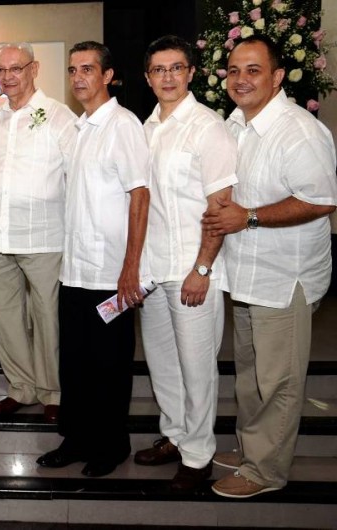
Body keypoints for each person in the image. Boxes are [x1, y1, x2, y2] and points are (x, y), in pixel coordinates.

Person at [202, 35, 337, 499]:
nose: (241, 79)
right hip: (246, 275)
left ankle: (266, 471)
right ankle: (251, 449)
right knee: (250, 374)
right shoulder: (235, 124)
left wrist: (250, 217)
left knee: (278, 379)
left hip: (284, 279)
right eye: (235, 70)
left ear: (278, 76)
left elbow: (321, 201)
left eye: (254, 70)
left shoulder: (298, 130)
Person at [37, 41, 149, 477]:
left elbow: (140, 195)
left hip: (110, 272)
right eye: (72, 70)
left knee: (109, 365)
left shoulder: (122, 124)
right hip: (76, 270)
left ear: (108, 76)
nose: (79, 77)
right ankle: (76, 438)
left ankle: (111, 445)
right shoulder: (82, 128)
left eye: (88, 69)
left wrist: (130, 266)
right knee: (77, 362)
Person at [134, 35, 238, 491]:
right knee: (163, 365)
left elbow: (221, 205)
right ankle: (174, 437)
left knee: (197, 369)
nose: (168, 77)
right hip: (154, 272)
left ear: (192, 73)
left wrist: (202, 269)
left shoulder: (207, 126)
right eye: (159, 70)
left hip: (193, 270)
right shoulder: (146, 126)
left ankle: (198, 456)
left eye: (177, 68)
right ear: (148, 78)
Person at [0, 42, 76, 424]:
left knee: (49, 317)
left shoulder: (59, 116)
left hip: (44, 237)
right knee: (4, 320)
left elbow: (77, 175)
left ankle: (53, 390)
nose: (7, 77)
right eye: (0, 71)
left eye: (15, 68)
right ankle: (21, 388)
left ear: (34, 69)